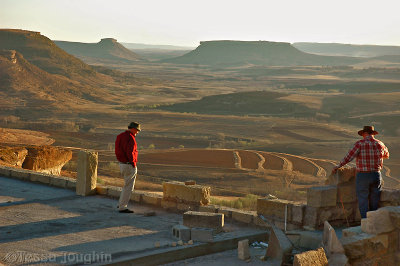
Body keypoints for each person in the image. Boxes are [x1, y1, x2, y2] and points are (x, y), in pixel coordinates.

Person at [332, 125, 389, 218]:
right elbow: (386, 155)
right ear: (373, 134)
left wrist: (338, 166)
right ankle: (374, 221)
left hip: (363, 175)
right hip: (376, 174)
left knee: (363, 199)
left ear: (364, 133)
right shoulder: (380, 144)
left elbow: (348, 157)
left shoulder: (359, 144)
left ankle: (365, 222)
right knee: (375, 198)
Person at [115, 122, 141, 213]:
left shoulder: (120, 136)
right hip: (128, 165)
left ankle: (121, 203)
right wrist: (133, 163)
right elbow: (130, 153)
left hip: (121, 163)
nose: (137, 132)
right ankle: (122, 207)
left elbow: (118, 150)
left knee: (126, 185)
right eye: (137, 130)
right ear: (133, 129)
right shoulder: (131, 138)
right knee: (129, 187)